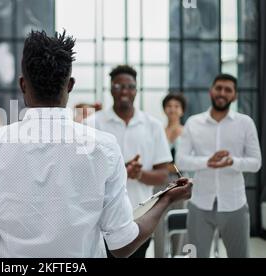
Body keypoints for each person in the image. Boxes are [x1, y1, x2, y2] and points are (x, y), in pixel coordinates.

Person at [0, 30, 192, 258]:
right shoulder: (103, 146)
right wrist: (166, 199)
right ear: (70, 85)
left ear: (22, 84)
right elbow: (121, 245)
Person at [85, 65, 173, 258]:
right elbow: (83, 175)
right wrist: (120, 170)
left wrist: (139, 174)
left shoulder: (153, 126)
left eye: (130, 86)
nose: (124, 91)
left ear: (136, 89)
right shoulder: (92, 124)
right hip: (100, 220)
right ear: (111, 89)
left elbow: (162, 176)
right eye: (118, 86)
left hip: (140, 218)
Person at [176, 74, 262, 258]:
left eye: (228, 89)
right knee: (195, 256)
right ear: (211, 91)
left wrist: (233, 162)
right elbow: (181, 160)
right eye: (219, 88)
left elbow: (256, 162)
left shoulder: (245, 123)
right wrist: (207, 161)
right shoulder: (193, 123)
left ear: (235, 95)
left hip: (235, 204)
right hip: (199, 204)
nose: (222, 93)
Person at [154, 92, 188, 258]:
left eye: (176, 106)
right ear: (164, 110)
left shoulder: (188, 132)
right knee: (158, 221)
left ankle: (178, 255)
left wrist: (169, 167)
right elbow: (154, 158)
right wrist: (170, 167)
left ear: (182, 110)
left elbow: (186, 162)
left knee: (180, 220)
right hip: (160, 182)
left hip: (182, 182)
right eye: (169, 106)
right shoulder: (158, 131)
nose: (172, 109)